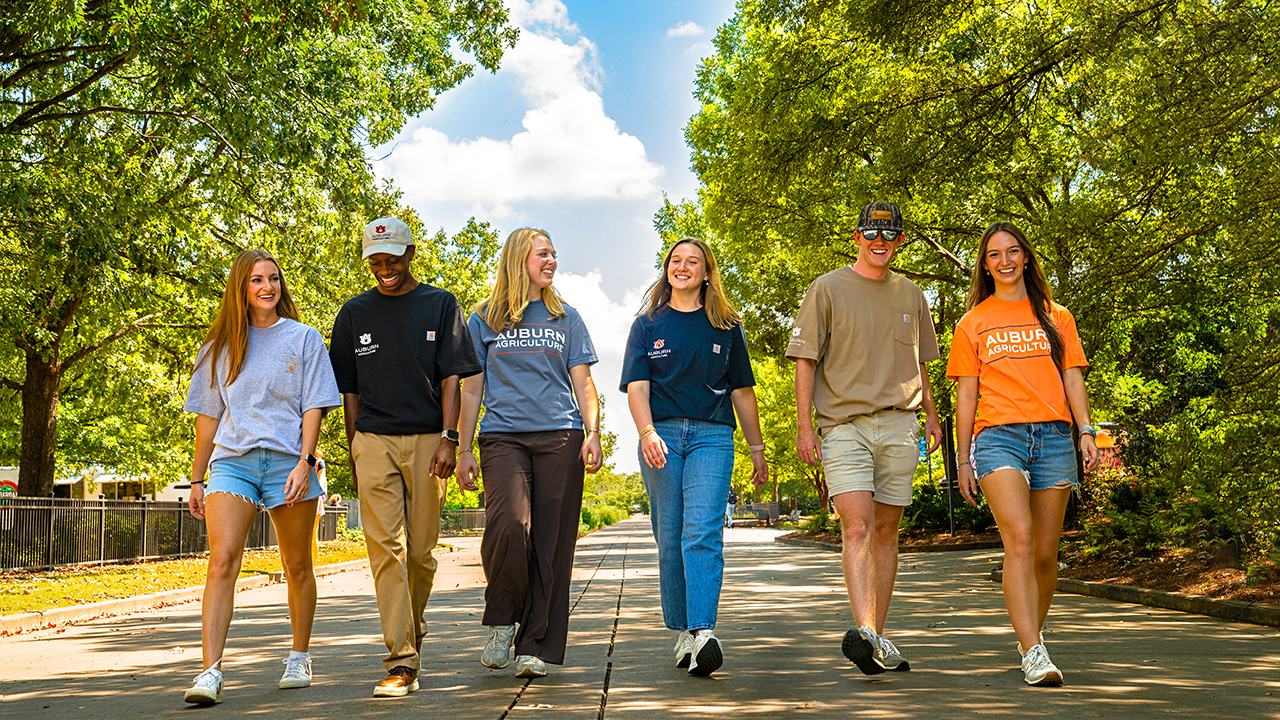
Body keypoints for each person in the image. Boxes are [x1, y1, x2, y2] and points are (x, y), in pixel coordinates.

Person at [786, 201, 943, 675]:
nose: (880, 242)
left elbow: (920, 364)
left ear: (898, 240)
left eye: (889, 235)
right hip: (844, 425)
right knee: (855, 527)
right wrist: (803, 426)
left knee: (887, 531)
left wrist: (932, 418)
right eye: (872, 233)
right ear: (857, 236)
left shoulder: (912, 294)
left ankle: (877, 634)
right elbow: (805, 361)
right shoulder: (827, 289)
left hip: (901, 424)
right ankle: (867, 632)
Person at [329, 217, 482, 697]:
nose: (384, 268)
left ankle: (411, 628)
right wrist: (354, 446)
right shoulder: (353, 314)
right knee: (385, 550)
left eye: (392, 258)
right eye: (375, 261)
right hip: (372, 440)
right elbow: (348, 388)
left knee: (419, 553)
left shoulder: (440, 305)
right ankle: (401, 661)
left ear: (411, 253)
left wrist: (450, 438)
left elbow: (452, 378)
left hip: (427, 441)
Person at [182, 249, 341, 704]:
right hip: (233, 462)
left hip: (291, 461)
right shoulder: (218, 347)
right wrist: (196, 479)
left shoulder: (304, 338)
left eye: (273, 278)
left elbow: (315, 405)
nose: (267, 287)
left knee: (296, 565)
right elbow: (209, 420)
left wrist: (305, 461)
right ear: (242, 287)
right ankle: (210, 672)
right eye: (256, 280)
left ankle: (298, 655)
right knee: (222, 560)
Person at [947, 221, 1099, 686]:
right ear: (985, 265)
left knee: (1046, 555)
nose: (1005, 261)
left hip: (1054, 437)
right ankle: (1034, 651)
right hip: (998, 439)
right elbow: (967, 395)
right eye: (995, 255)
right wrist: (963, 457)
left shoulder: (1058, 317)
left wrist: (1087, 432)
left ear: (1026, 258)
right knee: (1021, 539)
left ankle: (1029, 634)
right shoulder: (972, 323)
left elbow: (1073, 378)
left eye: (1013, 252)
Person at [455, 227, 604, 679]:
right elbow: (472, 387)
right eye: (543, 254)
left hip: (562, 436)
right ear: (520, 259)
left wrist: (593, 432)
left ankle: (534, 643)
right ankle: (502, 620)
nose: (552, 261)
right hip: (503, 437)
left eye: (554, 254)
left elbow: (583, 382)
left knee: (551, 544)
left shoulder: (567, 317)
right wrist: (464, 448)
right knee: (508, 526)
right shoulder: (483, 319)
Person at [621, 237, 768, 677]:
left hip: (712, 437)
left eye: (693, 262)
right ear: (667, 269)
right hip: (660, 436)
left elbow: (742, 392)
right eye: (675, 261)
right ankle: (682, 630)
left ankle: (703, 632)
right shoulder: (646, 324)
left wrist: (757, 449)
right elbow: (637, 388)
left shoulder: (726, 326)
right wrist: (646, 432)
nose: (682, 267)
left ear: (707, 273)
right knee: (669, 537)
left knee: (701, 533)